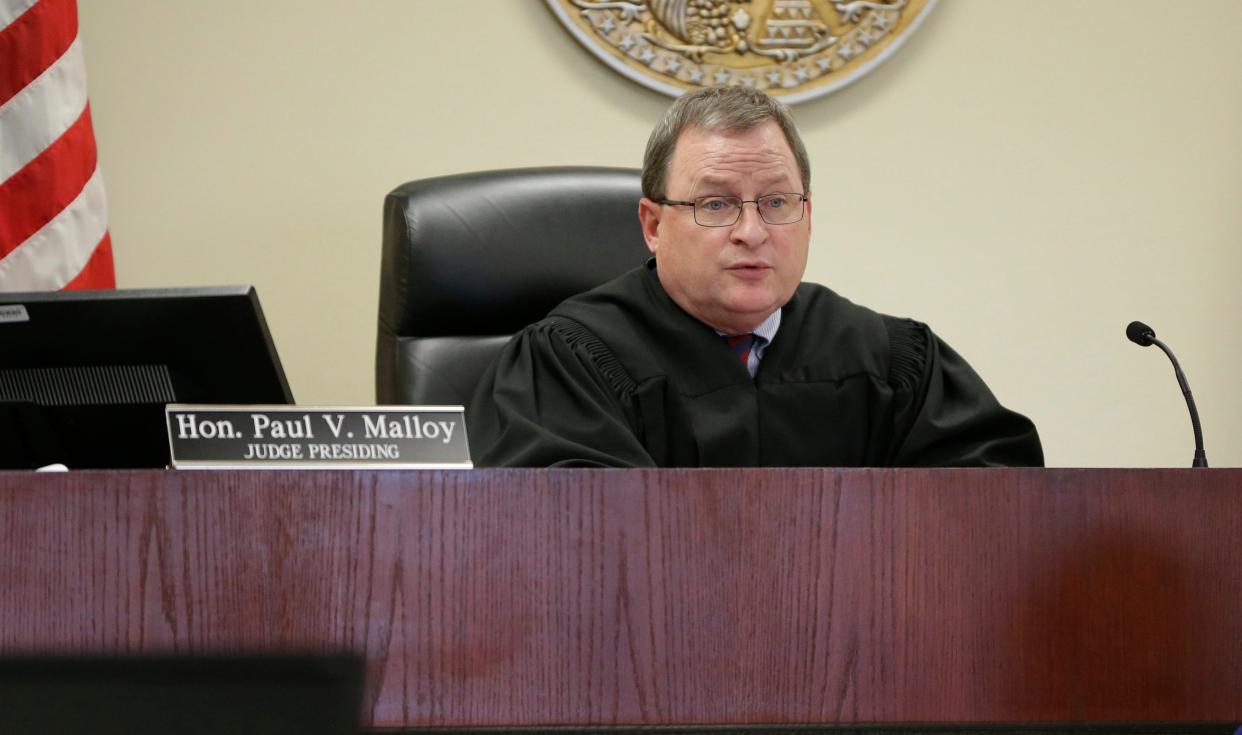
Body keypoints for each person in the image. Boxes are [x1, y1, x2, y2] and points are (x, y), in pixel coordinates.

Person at [467, 86, 1042, 468]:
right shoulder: (570, 360)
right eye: (715, 205)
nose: (752, 231)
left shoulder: (892, 361)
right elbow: (565, 543)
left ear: (808, 216)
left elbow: (992, 513)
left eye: (775, 202)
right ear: (653, 224)